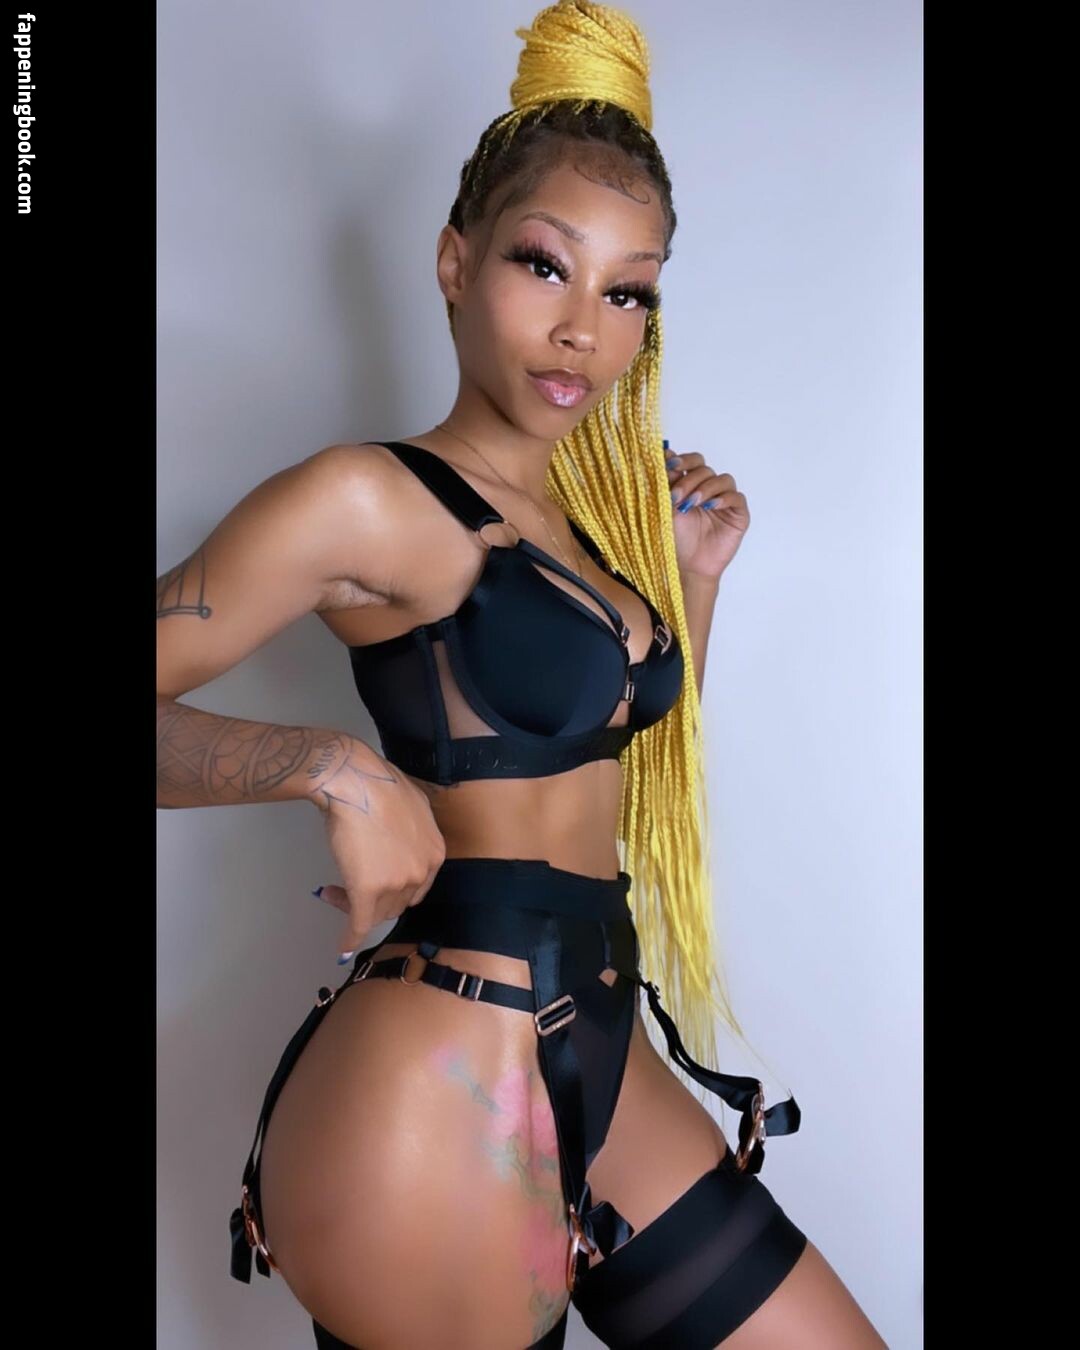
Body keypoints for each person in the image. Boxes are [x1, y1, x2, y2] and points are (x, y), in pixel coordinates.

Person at [156, 2, 887, 1345]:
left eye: (627, 292)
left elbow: (608, 780)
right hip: (437, 1071)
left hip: (605, 1049)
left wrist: (692, 583)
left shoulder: (592, 536)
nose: (580, 330)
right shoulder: (369, 500)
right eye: (545, 265)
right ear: (455, 261)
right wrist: (332, 766)